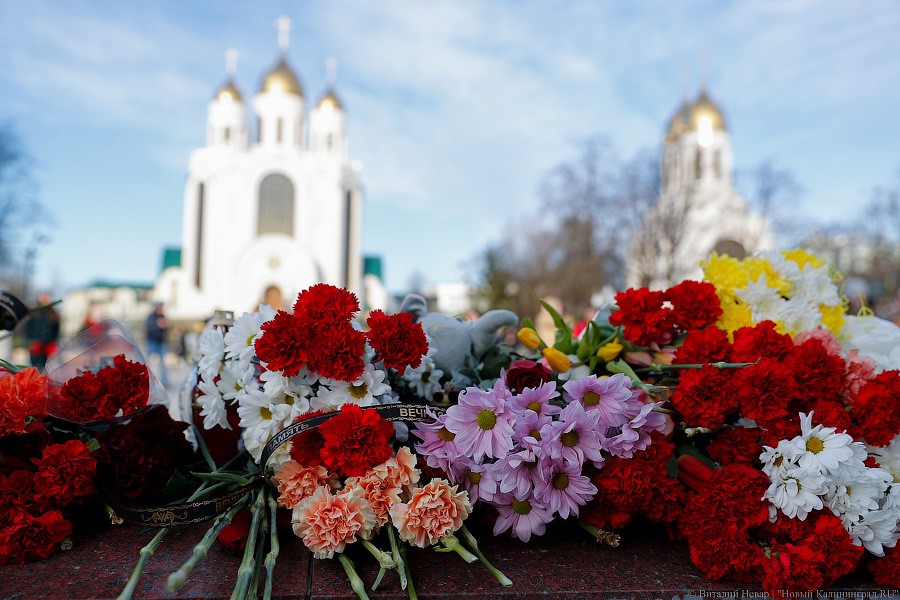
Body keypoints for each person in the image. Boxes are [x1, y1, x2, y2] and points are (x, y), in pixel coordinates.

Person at [25, 292, 60, 371]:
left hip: (47, 345)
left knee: (46, 366)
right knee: (34, 366)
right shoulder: (34, 313)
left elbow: (56, 330)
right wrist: (31, 341)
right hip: (36, 344)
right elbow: (28, 328)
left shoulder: (53, 314)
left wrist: (53, 343)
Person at [145, 302, 169, 387]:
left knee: (163, 363)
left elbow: (166, 327)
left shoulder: (163, 316)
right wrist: (159, 324)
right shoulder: (151, 317)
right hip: (152, 342)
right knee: (147, 362)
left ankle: (164, 382)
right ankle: (147, 379)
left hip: (161, 342)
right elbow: (151, 327)